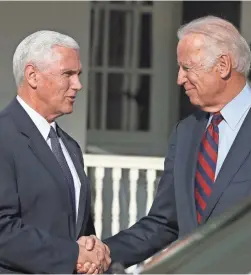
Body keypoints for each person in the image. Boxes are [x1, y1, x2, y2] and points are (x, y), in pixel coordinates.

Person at [82, 15, 251, 268]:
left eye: (187, 67)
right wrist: (105, 253)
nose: (179, 79)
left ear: (223, 65)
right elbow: (164, 223)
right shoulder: (186, 132)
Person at [0, 30, 110, 273]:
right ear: (33, 76)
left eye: (78, 74)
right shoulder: (4, 136)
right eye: (67, 74)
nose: (78, 85)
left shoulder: (69, 147)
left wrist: (92, 250)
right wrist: (73, 254)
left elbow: (78, 228)